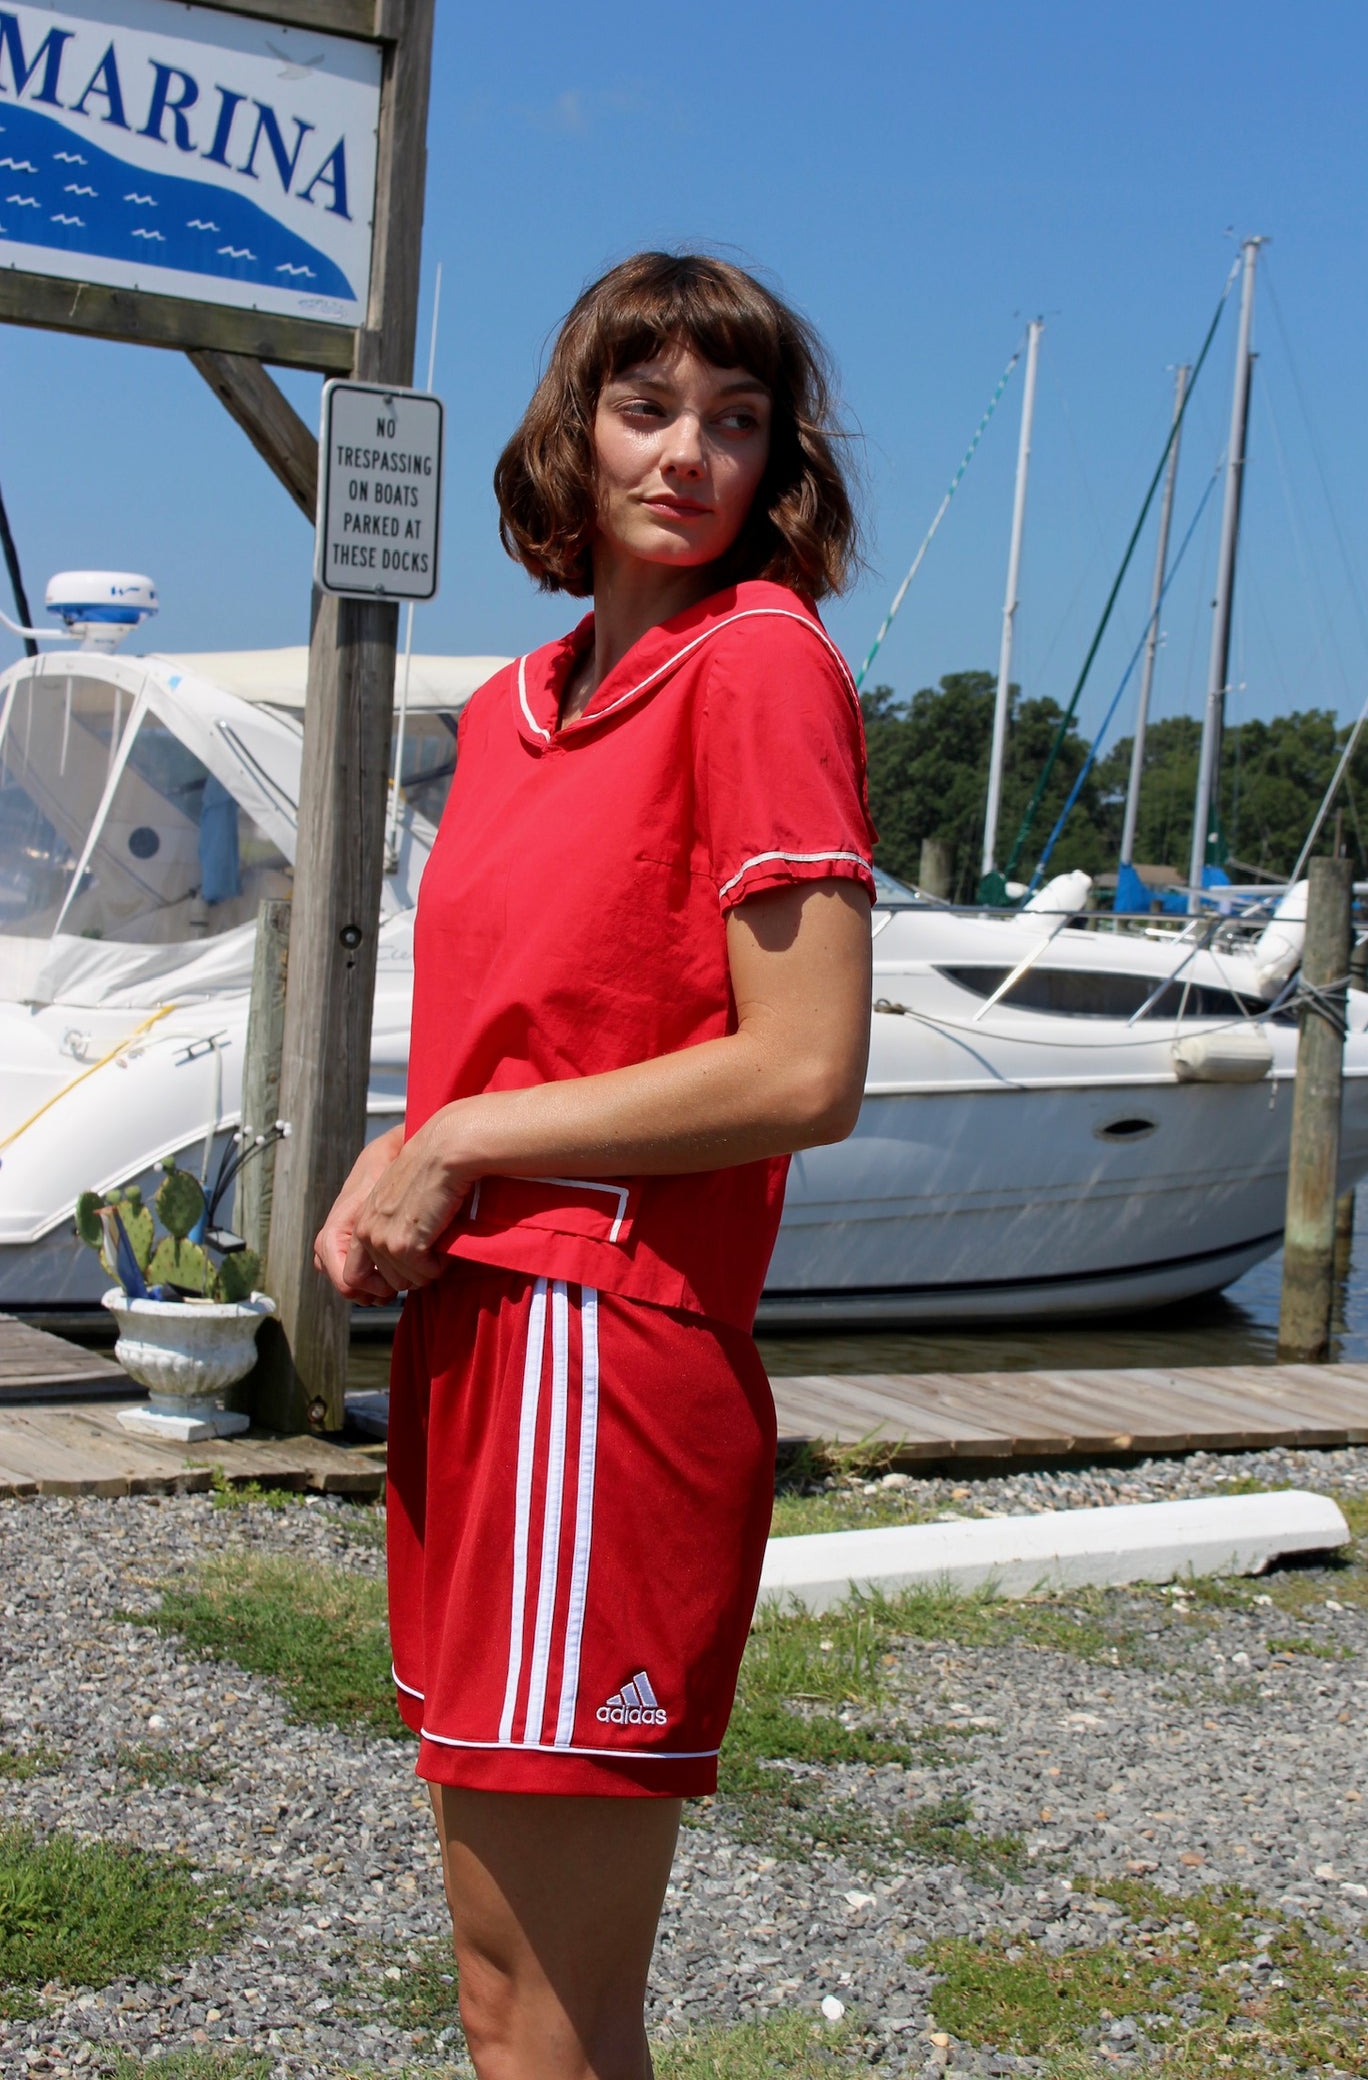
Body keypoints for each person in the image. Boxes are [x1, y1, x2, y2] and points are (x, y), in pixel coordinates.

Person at [314, 251, 876, 2080]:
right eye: (648, 410)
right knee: (493, 1975)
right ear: (576, 431)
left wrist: (464, 1137)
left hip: (608, 1349)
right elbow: (524, 1023)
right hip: (485, 1342)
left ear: (778, 459)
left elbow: (803, 1068)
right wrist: (412, 1145)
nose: (690, 456)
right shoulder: (508, 706)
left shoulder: (760, 663)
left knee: (554, 2003)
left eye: (737, 421)